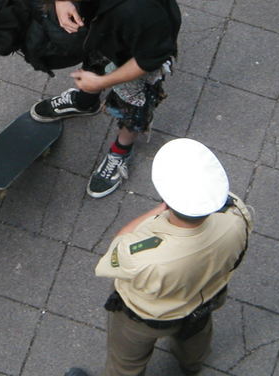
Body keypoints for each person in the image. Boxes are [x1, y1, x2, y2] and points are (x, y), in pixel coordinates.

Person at [26, 0, 181, 198]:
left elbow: (151, 58)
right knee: (93, 63)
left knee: (133, 104)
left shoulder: (138, 10)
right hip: (106, 30)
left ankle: (121, 149)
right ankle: (86, 102)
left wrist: (103, 83)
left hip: (136, 49)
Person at [68, 138, 252, 376]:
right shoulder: (236, 212)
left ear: (168, 200)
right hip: (205, 299)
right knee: (196, 339)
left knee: (125, 364)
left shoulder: (146, 256)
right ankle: (192, 365)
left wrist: (161, 209)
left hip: (147, 317)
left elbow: (119, 244)